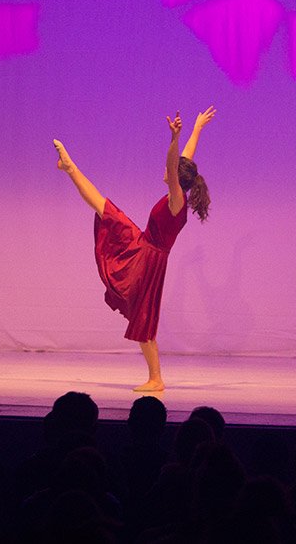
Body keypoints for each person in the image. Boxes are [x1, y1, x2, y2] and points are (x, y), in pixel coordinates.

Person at [54, 107, 215, 392]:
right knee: (105, 209)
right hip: (142, 244)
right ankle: (71, 169)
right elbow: (184, 159)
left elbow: (174, 163)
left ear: (176, 178)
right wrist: (197, 128)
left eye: (170, 170)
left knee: (144, 321)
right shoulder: (178, 193)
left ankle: (156, 379)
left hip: (148, 259)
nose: (165, 170)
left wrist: (174, 138)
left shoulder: (176, 199)